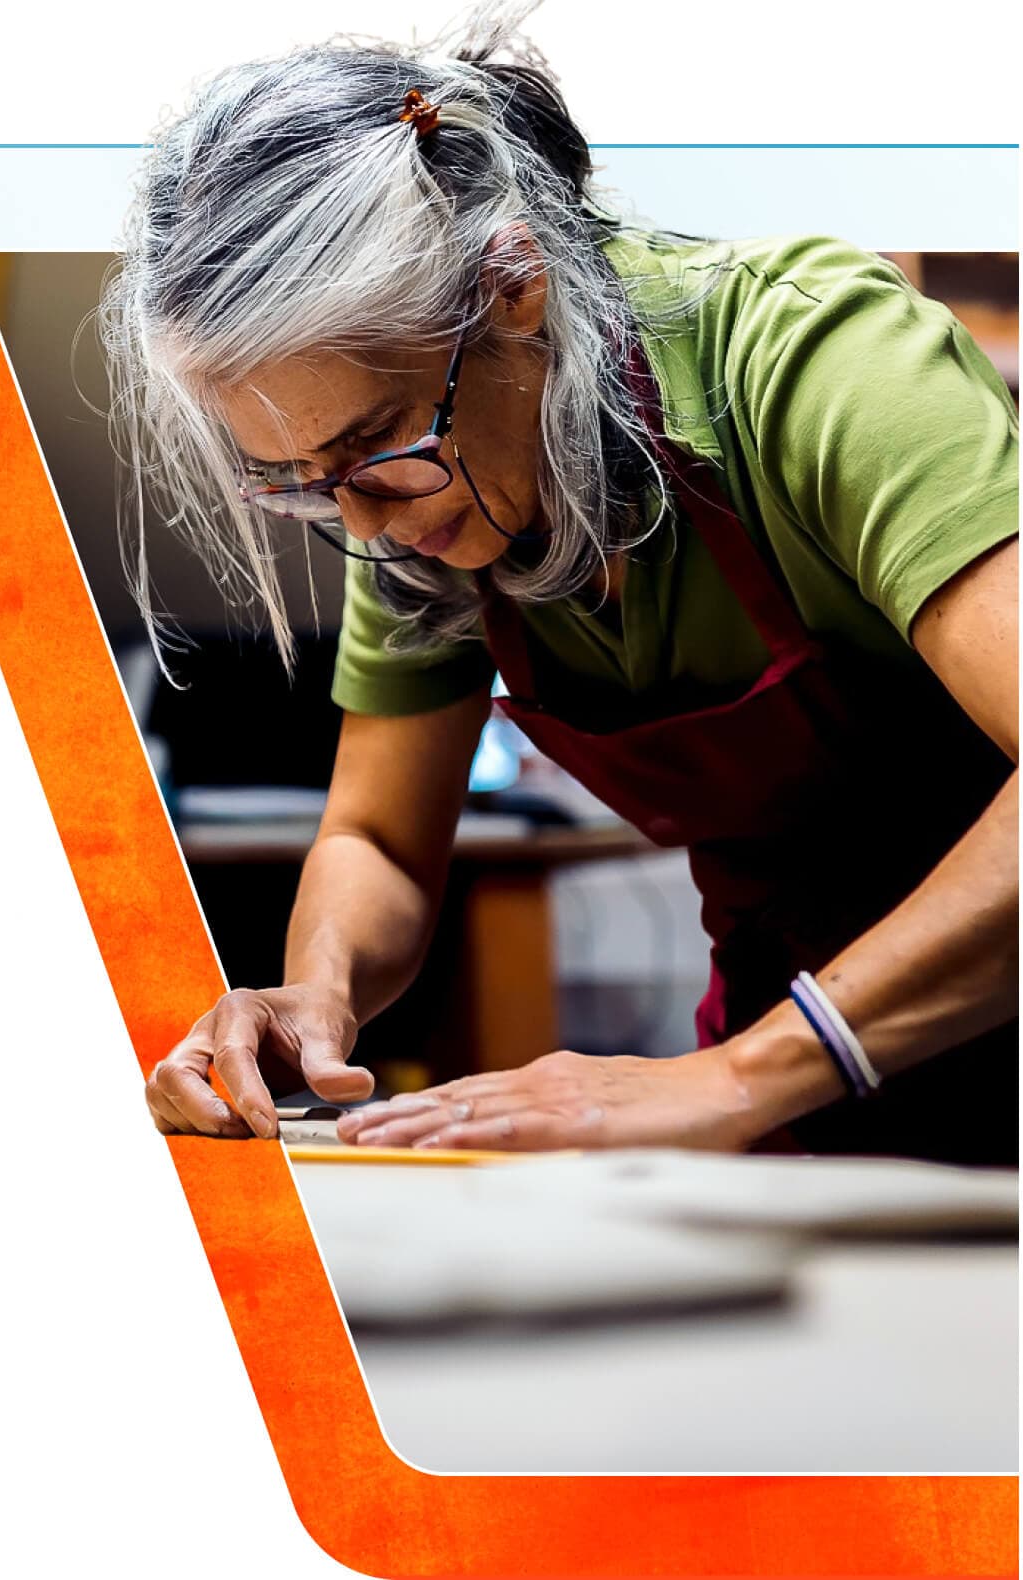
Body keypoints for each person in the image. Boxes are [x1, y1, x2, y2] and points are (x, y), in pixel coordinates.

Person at [102, 12, 1018, 1165]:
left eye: (377, 444)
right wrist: (311, 997)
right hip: (792, 1095)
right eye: (298, 481)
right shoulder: (420, 497)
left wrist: (741, 1074)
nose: (362, 519)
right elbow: (380, 841)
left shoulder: (808, 358)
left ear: (515, 285)